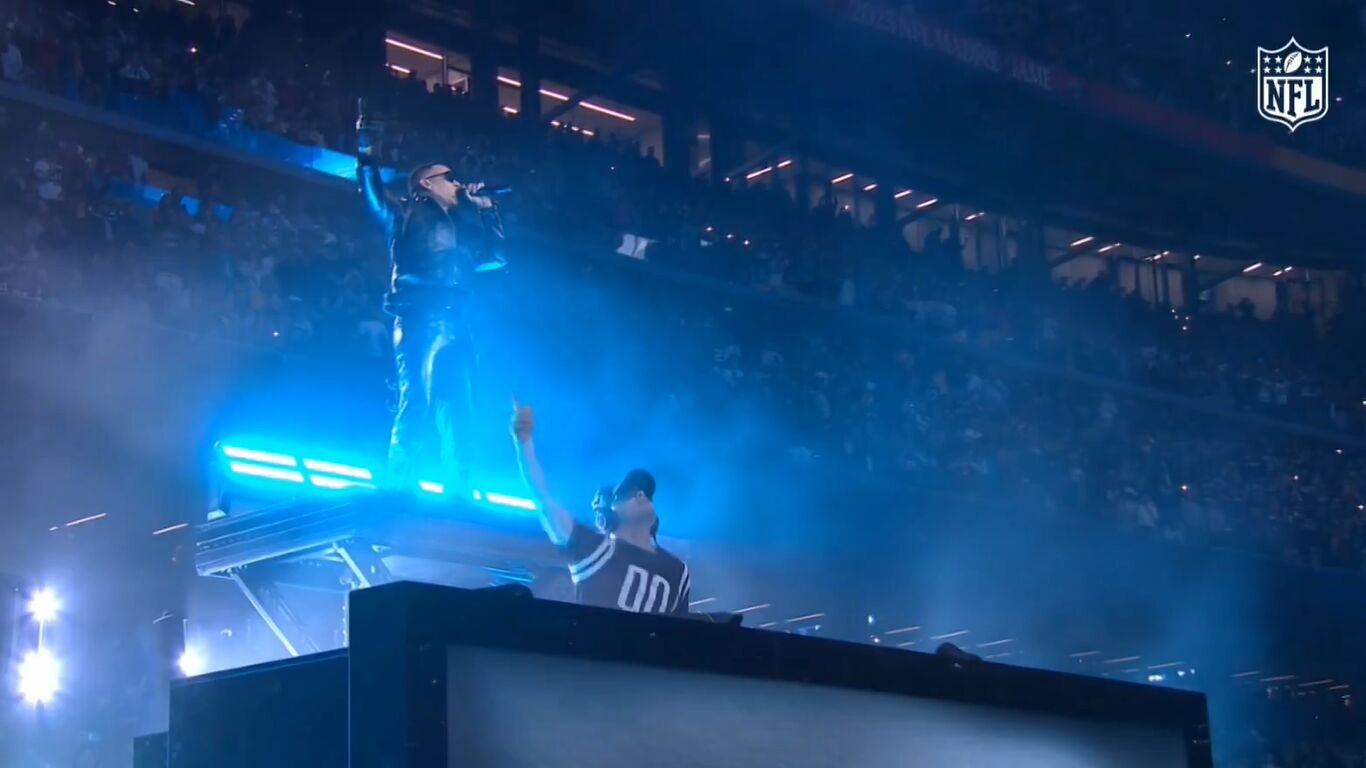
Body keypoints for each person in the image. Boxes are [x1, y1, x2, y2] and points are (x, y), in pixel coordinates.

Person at [357, 108, 506, 489]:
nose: (457, 183)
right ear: (426, 183)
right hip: (419, 317)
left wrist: (488, 212)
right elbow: (373, 200)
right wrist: (367, 152)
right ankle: (399, 484)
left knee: (460, 412)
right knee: (417, 403)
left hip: (456, 319)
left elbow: (495, 258)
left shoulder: (463, 225)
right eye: (449, 177)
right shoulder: (405, 212)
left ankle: (461, 492)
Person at [510, 400, 691, 614]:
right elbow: (543, 497)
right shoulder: (595, 550)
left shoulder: (677, 571)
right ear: (605, 519)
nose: (639, 497)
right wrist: (524, 442)